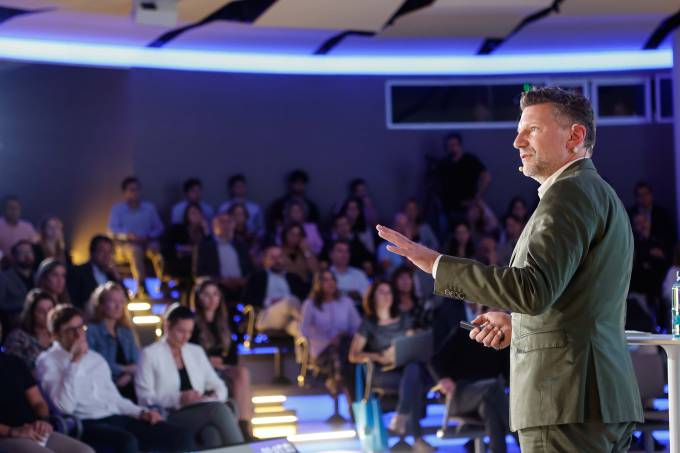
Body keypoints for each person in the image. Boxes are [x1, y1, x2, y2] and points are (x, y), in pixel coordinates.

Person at [377, 87, 643, 451]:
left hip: (565, 400)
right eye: (519, 131)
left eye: (531, 130)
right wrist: (518, 324)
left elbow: (532, 290)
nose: (517, 142)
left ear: (575, 136)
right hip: (597, 398)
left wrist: (437, 264)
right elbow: (576, 302)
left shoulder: (568, 194)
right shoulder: (598, 192)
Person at [36, 305, 194, 453]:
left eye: (81, 328)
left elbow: (115, 400)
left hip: (115, 416)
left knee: (180, 436)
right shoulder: (47, 361)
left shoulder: (95, 359)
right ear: (55, 335)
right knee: (127, 442)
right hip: (85, 423)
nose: (79, 335)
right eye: (71, 330)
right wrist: (74, 362)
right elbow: (64, 408)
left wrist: (141, 412)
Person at [135, 304, 244, 449]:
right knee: (218, 410)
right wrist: (179, 398)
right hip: (169, 414)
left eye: (189, 332)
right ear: (167, 326)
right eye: (181, 331)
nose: (185, 337)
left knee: (211, 433)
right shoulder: (149, 354)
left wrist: (212, 397)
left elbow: (219, 385)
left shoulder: (195, 351)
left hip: (200, 410)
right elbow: (144, 398)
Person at [348, 281, 432, 453]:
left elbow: (411, 342)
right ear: (373, 297)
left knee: (413, 371)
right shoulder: (369, 323)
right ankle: (417, 439)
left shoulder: (403, 318)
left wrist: (399, 350)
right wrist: (378, 356)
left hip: (404, 367)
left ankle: (401, 416)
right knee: (414, 382)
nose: (387, 296)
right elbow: (353, 355)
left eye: (389, 292)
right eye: (382, 292)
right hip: (382, 372)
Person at [0, 340, 94, 453]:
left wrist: (43, 421)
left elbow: (38, 402)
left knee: (85, 451)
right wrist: (11, 431)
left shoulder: (14, 362)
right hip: (5, 435)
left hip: (32, 428)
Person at [190, 279, 254, 440]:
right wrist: (209, 361)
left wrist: (221, 362)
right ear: (198, 297)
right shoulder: (192, 324)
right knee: (241, 375)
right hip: (201, 370)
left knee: (242, 373)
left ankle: (244, 426)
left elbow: (233, 355)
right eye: (206, 295)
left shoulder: (226, 322)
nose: (211, 299)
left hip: (223, 368)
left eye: (215, 294)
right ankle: (241, 429)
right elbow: (191, 352)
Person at [301, 271, 361, 400]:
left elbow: (358, 327)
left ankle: (337, 383)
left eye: (332, 279)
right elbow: (303, 331)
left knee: (345, 354)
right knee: (343, 359)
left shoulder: (346, 302)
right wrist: (328, 340)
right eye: (325, 280)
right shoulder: (310, 305)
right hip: (322, 351)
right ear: (318, 284)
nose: (330, 283)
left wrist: (342, 335)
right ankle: (352, 400)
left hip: (345, 346)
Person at [108, 177, 164, 296]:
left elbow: (159, 228)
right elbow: (111, 231)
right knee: (135, 251)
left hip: (146, 242)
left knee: (156, 249)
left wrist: (148, 236)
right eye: (131, 190)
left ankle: (162, 282)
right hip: (125, 245)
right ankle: (141, 286)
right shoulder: (117, 209)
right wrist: (127, 236)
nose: (135, 192)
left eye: (137, 189)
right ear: (124, 192)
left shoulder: (149, 208)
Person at [86, 282, 139, 401]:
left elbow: (136, 362)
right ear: (101, 304)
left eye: (121, 302)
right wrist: (125, 369)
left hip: (130, 384)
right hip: (103, 387)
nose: (118, 306)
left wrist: (128, 375)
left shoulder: (126, 331)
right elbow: (96, 364)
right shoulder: (92, 331)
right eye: (113, 301)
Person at [242, 245, 307, 337]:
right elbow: (247, 300)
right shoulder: (257, 278)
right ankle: (306, 320)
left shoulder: (294, 278)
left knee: (300, 329)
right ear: (265, 260)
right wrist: (270, 301)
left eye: (279, 257)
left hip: (291, 318)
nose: (277, 261)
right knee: (290, 301)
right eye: (272, 257)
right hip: (267, 316)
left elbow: (304, 300)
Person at [194, 212, 253, 304]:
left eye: (229, 222)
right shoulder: (204, 247)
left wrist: (243, 280)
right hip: (216, 288)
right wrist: (221, 281)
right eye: (221, 222)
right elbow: (199, 273)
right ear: (214, 226)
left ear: (234, 225)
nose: (226, 225)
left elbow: (250, 269)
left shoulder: (241, 245)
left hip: (242, 288)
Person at [435, 133, 492, 224]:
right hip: (449, 207)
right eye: (449, 146)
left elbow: (486, 177)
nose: (451, 148)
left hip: (469, 204)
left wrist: (477, 198)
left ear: (459, 145)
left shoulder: (469, 160)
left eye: (454, 145)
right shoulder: (443, 164)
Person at [3, 289, 55, 371]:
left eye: (50, 309)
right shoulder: (18, 338)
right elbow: (11, 368)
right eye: (41, 311)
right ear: (32, 313)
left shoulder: (60, 335)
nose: (47, 314)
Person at [67, 235, 121, 310]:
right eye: (102, 251)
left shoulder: (111, 275)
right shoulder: (78, 272)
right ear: (92, 252)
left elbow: (123, 298)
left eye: (109, 252)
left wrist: (117, 277)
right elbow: (73, 301)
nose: (107, 256)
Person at [161, 202, 210, 280]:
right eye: (193, 213)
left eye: (198, 213)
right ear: (187, 216)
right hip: (181, 262)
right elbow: (168, 247)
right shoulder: (177, 229)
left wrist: (206, 230)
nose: (196, 216)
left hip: (200, 263)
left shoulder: (204, 231)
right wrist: (186, 249)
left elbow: (210, 249)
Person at [628, 181, 676, 254]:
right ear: (636, 197)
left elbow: (670, 236)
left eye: (646, 194)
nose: (643, 198)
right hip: (637, 252)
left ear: (651, 195)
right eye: (640, 195)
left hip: (659, 252)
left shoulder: (662, 214)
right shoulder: (630, 214)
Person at [0, 240, 35, 335]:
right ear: (14, 256)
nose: (27, 255)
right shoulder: (4, 278)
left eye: (29, 251)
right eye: (22, 252)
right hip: (13, 327)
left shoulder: (37, 277)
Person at [218, 174, 265, 239]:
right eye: (237, 186)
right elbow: (219, 227)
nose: (240, 189)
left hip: (251, 239)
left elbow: (261, 228)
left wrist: (257, 238)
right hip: (230, 238)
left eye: (242, 186)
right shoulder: (224, 207)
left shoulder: (255, 208)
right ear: (231, 189)